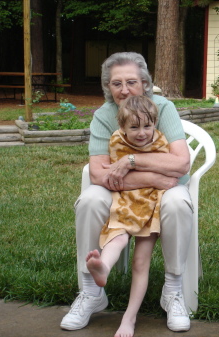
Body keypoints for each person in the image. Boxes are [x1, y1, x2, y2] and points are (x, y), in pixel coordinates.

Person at [61, 52, 193, 333]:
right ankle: (91, 292)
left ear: (145, 83)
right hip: (128, 192)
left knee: (179, 201)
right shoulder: (103, 116)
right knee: (89, 200)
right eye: (116, 83)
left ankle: (173, 290)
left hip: (164, 192)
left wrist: (130, 162)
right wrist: (156, 176)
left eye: (131, 82)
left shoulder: (163, 108)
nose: (124, 90)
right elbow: (98, 174)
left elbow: (180, 163)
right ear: (107, 87)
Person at [85, 95, 170, 336]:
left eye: (147, 125)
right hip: (124, 202)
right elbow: (111, 176)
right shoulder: (116, 142)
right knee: (118, 238)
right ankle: (103, 267)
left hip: (151, 205)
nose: (142, 133)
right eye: (134, 127)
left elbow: (168, 170)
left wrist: (134, 167)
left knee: (140, 262)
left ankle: (129, 318)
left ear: (154, 123)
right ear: (122, 127)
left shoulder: (161, 142)